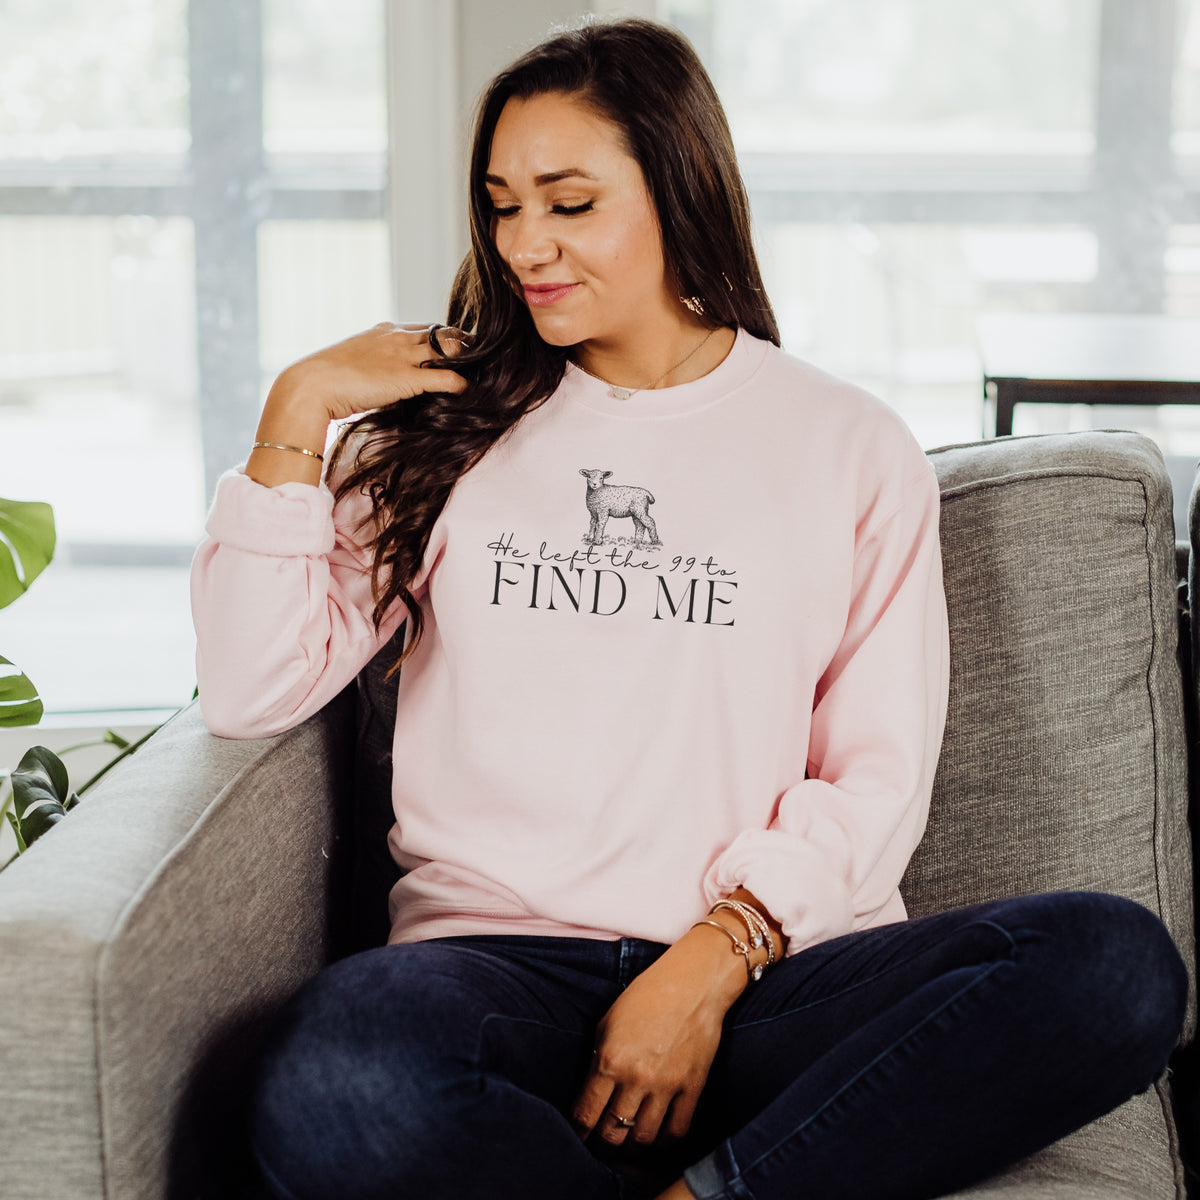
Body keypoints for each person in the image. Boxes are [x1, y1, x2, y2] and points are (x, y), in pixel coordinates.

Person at [189, 17, 1188, 1200]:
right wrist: (296, 413)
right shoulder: (445, 428)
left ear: (676, 185)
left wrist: (714, 958)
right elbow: (251, 686)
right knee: (338, 1084)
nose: (525, 244)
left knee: (1112, 965)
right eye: (502, 205)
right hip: (490, 977)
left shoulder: (847, 447)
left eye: (568, 203)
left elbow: (875, 774)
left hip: (764, 988)